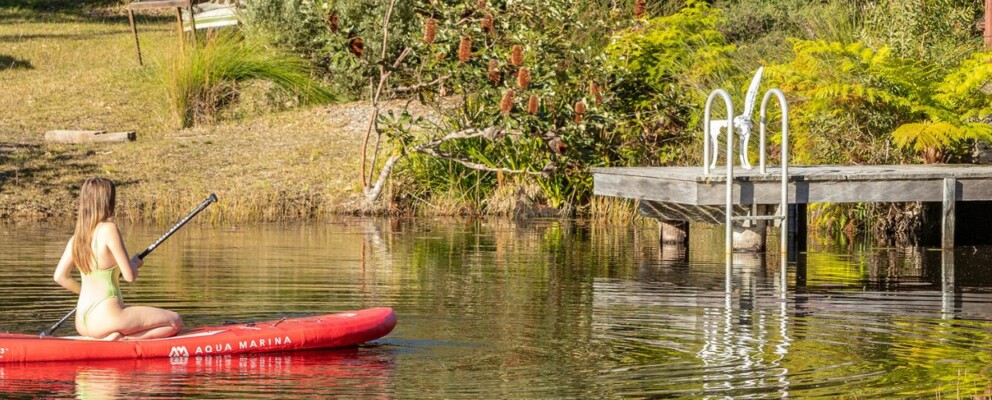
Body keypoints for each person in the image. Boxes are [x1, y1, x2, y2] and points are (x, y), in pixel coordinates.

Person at [53, 178, 183, 340]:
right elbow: (129, 276)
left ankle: (112, 336)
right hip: (107, 318)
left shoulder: (77, 238)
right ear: (108, 201)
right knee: (175, 321)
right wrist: (134, 263)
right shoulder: (109, 229)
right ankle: (123, 340)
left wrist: (84, 293)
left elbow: (60, 277)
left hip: (82, 322)